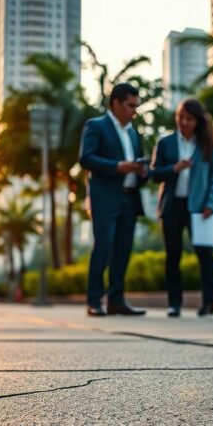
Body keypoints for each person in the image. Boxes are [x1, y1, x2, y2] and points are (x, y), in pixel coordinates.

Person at [150, 98, 213, 317]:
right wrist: (174, 168)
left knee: (206, 254)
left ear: (197, 121)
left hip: (199, 207)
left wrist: (211, 204)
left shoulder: (206, 143)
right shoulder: (165, 143)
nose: (183, 122)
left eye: (188, 118)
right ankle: (174, 303)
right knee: (173, 255)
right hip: (172, 205)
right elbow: (154, 174)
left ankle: (212, 300)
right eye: (180, 117)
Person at [78, 82, 149, 317]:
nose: (134, 111)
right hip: (105, 198)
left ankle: (116, 300)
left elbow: (136, 160)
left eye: (136, 106)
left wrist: (141, 171)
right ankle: (94, 300)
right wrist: (117, 167)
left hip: (129, 198)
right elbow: (86, 158)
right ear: (115, 103)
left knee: (123, 250)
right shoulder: (96, 126)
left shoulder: (133, 132)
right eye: (130, 106)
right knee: (104, 248)